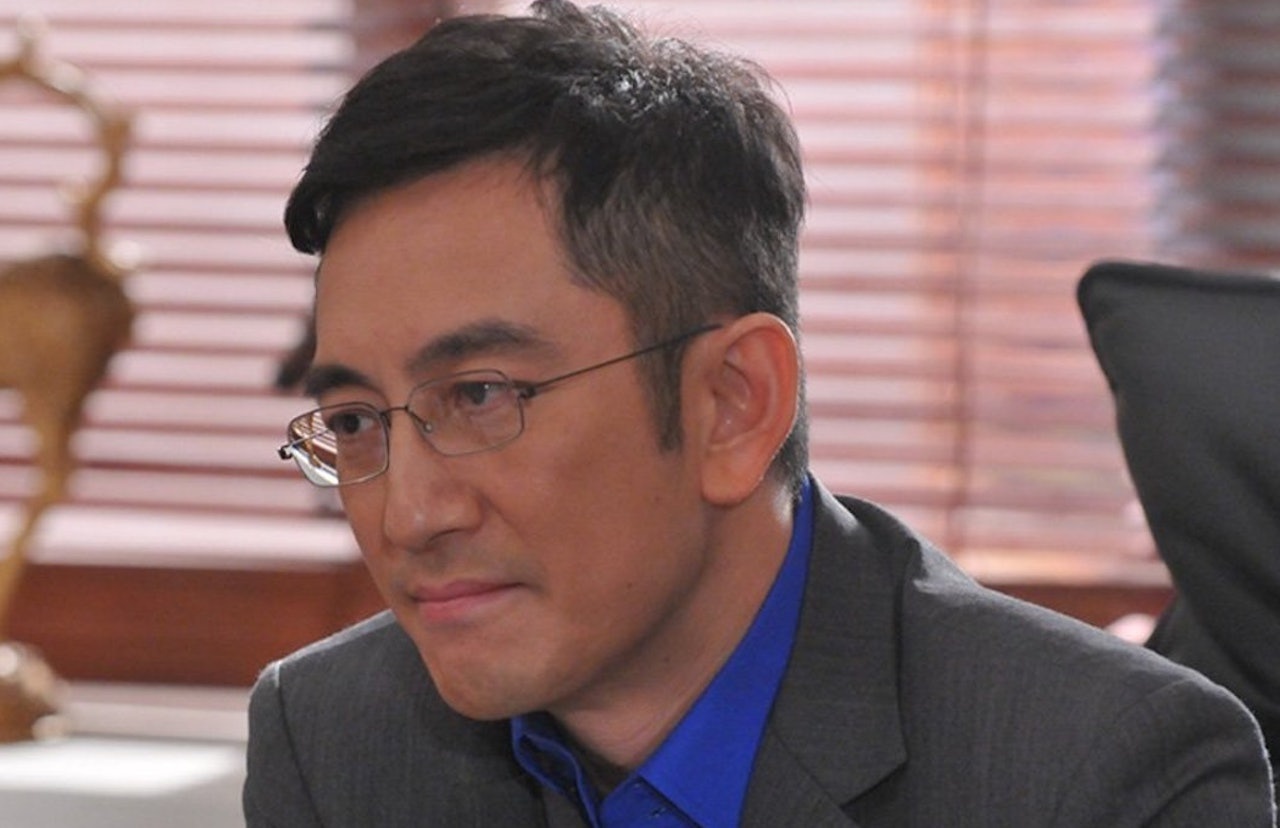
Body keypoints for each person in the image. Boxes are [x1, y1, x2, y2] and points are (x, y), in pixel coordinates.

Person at [244, 2, 1277, 825]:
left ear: (733, 405)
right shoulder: (333, 737)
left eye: (478, 396)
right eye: (356, 421)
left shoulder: (1097, 774)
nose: (409, 515)